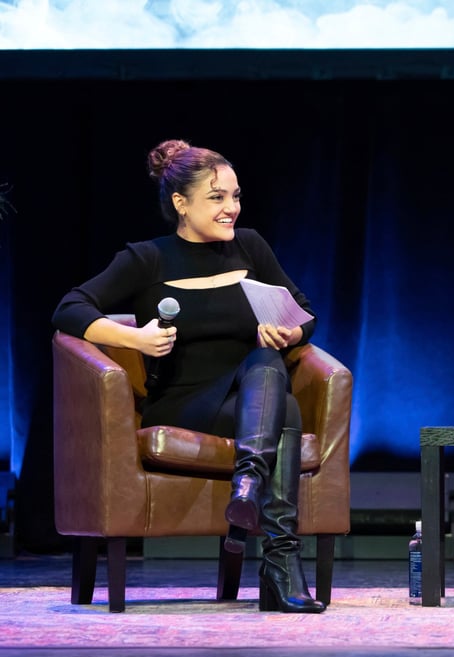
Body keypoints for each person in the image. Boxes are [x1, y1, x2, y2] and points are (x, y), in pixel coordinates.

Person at [52, 140, 325, 613]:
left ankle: (248, 485)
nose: (231, 209)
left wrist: (286, 330)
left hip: (246, 399)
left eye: (236, 196)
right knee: (285, 408)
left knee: (267, 364)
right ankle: (280, 569)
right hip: (183, 402)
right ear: (181, 203)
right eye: (217, 197)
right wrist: (133, 339)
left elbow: (305, 313)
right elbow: (69, 308)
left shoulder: (251, 247)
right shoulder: (147, 259)